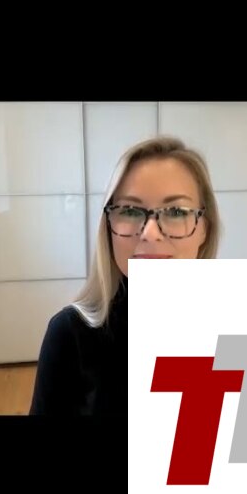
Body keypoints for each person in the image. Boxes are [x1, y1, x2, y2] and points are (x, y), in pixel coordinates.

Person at [29, 136, 221, 416]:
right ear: (108, 227)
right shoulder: (69, 334)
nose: (150, 233)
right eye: (130, 210)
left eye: (176, 211)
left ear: (205, 229)